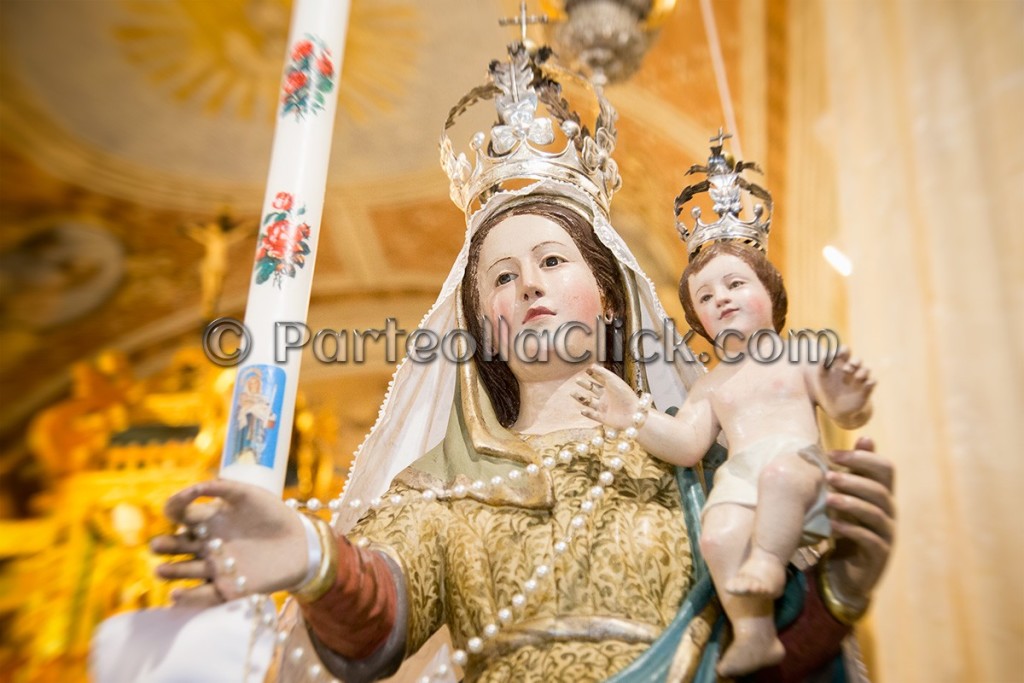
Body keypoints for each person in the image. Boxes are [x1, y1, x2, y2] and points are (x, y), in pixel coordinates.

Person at [139, 41, 894, 683]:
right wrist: (311, 556)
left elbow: (764, 661)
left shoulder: (696, 464)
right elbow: (380, 619)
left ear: (608, 297)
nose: (527, 281)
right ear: (482, 326)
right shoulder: (443, 488)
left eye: (551, 260)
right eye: (501, 276)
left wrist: (843, 587)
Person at [576, 240, 875, 676]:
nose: (722, 298)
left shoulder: (800, 356)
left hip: (798, 465)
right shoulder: (711, 387)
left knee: (780, 477)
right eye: (707, 298)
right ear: (700, 324)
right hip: (741, 478)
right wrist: (634, 416)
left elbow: (845, 412)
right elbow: (687, 444)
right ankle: (753, 631)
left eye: (735, 284)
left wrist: (850, 399)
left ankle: (769, 563)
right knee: (718, 537)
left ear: (771, 294)